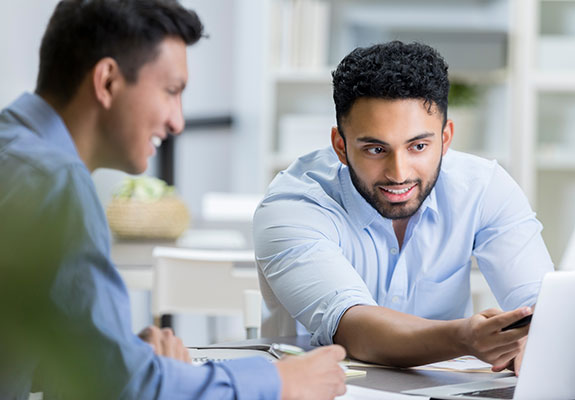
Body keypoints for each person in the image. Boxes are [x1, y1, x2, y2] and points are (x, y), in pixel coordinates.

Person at [0, 1, 346, 399]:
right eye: (171, 92)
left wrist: (125, 357)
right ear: (108, 81)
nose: (177, 122)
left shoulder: (15, 151)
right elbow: (127, 389)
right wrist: (283, 382)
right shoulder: (57, 184)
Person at [253, 41, 554, 374]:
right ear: (340, 146)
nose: (399, 173)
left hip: (447, 391)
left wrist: (531, 339)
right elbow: (353, 327)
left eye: (419, 146)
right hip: (324, 390)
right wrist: (465, 337)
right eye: (376, 149)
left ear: (446, 138)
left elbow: (542, 304)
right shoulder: (293, 205)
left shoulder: (483, 189)